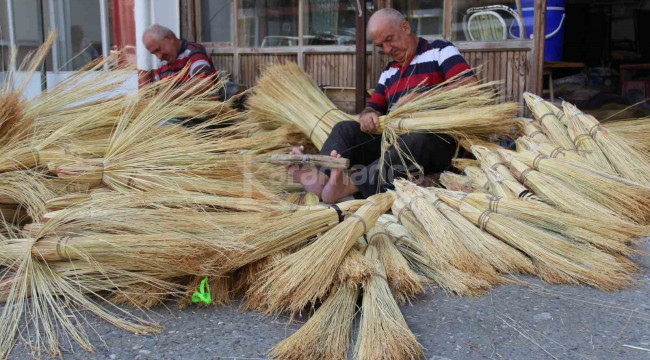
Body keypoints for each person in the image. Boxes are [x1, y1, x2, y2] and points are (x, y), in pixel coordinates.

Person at [290, 8, 478, 204]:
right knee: (345, 128)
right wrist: (368, 115)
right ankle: (322, 178)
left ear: (405, 27)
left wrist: (423, 97)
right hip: (395, 140)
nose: (387, 49)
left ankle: (349, 186)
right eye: (381, 46)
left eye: (390, 39)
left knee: (415, 140)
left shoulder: (440, 50)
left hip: (437, 141)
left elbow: (470, 87)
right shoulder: (390, 71)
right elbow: (373, 107)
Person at [143, 24, 243, 104]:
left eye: (158, 49)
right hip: (176, 115)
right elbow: (155, 93)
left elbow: (203, 83)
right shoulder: (163, 64)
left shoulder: (193, 51)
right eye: (154, 53)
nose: (159, 56)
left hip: (200, 116)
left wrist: (170, 95)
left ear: (169, 38)